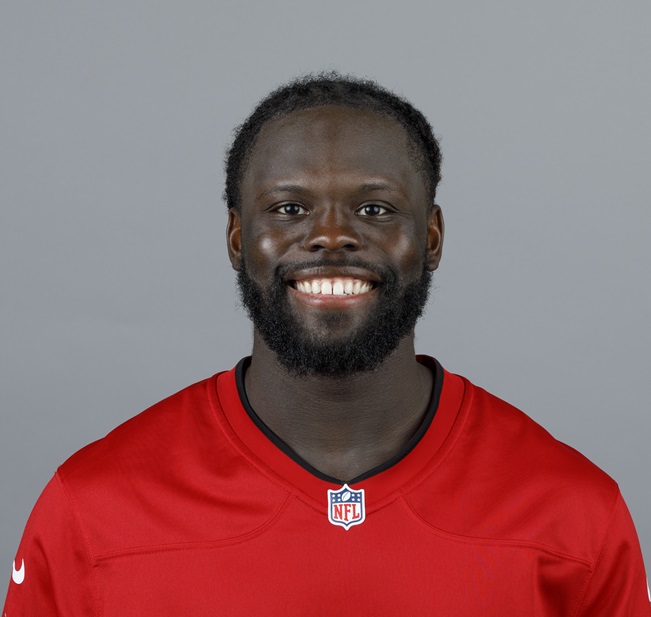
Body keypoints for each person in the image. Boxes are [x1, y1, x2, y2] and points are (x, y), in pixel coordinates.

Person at [3, 73, 650, 616]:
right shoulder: (91, 508)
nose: (332, 235)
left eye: (375, 209)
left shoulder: (573, 513)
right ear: (237, 238)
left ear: (430, 237)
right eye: (289, 209)